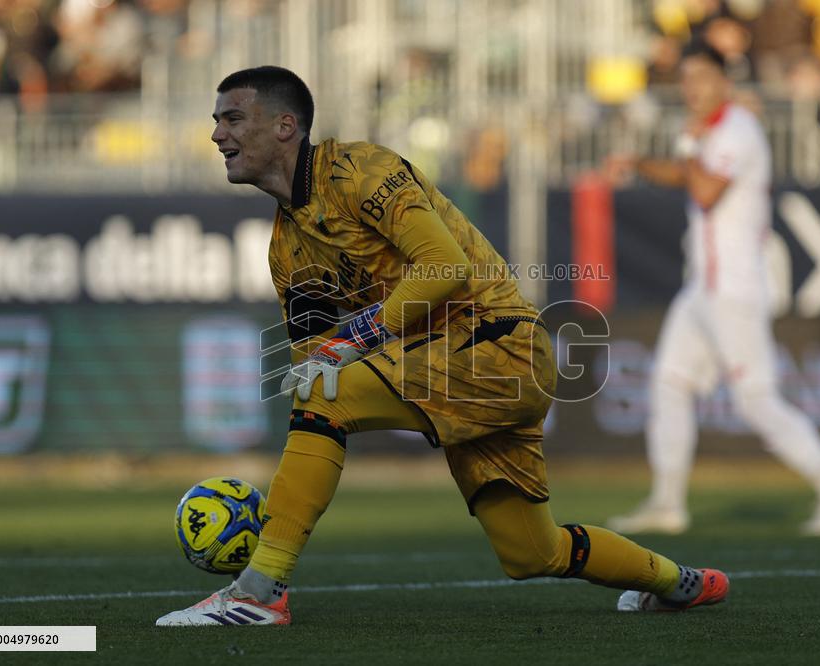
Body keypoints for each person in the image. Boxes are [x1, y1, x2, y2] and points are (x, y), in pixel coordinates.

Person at [156, 65, 728, 626]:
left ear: (285, 126)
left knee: (323, 398)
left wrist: (355, 342)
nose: (217, 134)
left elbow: (444, 266)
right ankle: (677, 584)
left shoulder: (361, 170)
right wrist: (289, 490)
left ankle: (260, 592)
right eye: (216, 121)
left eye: (233, 118)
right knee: (532, 552)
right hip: (452, 369)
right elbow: (316, 361)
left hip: (499, 346)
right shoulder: (286, 249)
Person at [603, 43, 820, 538]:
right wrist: (639, 161)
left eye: (702, 76)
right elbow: (685, 175)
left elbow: (705, 189)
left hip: (735, 289)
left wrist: (687, 147)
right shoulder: (708, 132)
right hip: (703, 287)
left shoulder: (737, 129)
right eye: (686, 78)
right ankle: (667, 503)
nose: (691, 88)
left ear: (724, 81)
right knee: (669, 382)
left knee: (756, 401)